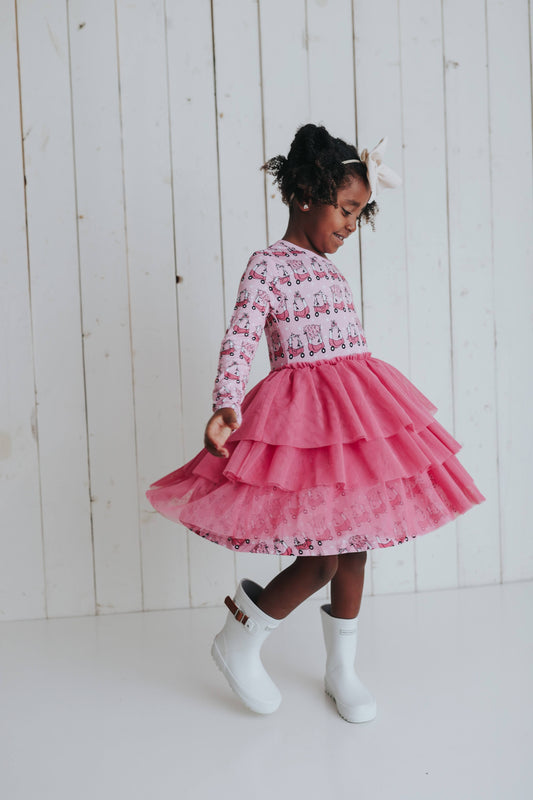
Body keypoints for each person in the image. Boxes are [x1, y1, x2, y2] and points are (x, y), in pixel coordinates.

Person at [146, 123, 486, 724]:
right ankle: (240, 637)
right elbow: (242, 334)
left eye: (361, 215)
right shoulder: (268, 265)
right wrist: (228, 401)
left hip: (354, 416)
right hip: (302, 422)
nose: (352, 225)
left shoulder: (332, 272)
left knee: (357, 545)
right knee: (322, 555)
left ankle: (342, 669)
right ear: (306, 195)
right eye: (347, 209)